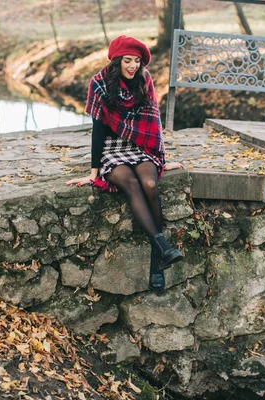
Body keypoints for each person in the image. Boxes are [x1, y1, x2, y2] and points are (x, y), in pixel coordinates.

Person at [65, 35, 184, 292]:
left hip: (140, 146)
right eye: (128, 61)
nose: (133, 66)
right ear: (117, 60)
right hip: (112, 149)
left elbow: (153, 123)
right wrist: (94, 172)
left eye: (137, 61)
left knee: (150, 183)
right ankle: (161, 251)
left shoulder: (144, 80)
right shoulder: (99, 84)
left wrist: (162, 158)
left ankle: (157, 258)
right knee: (131, 183)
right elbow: (98, 130)